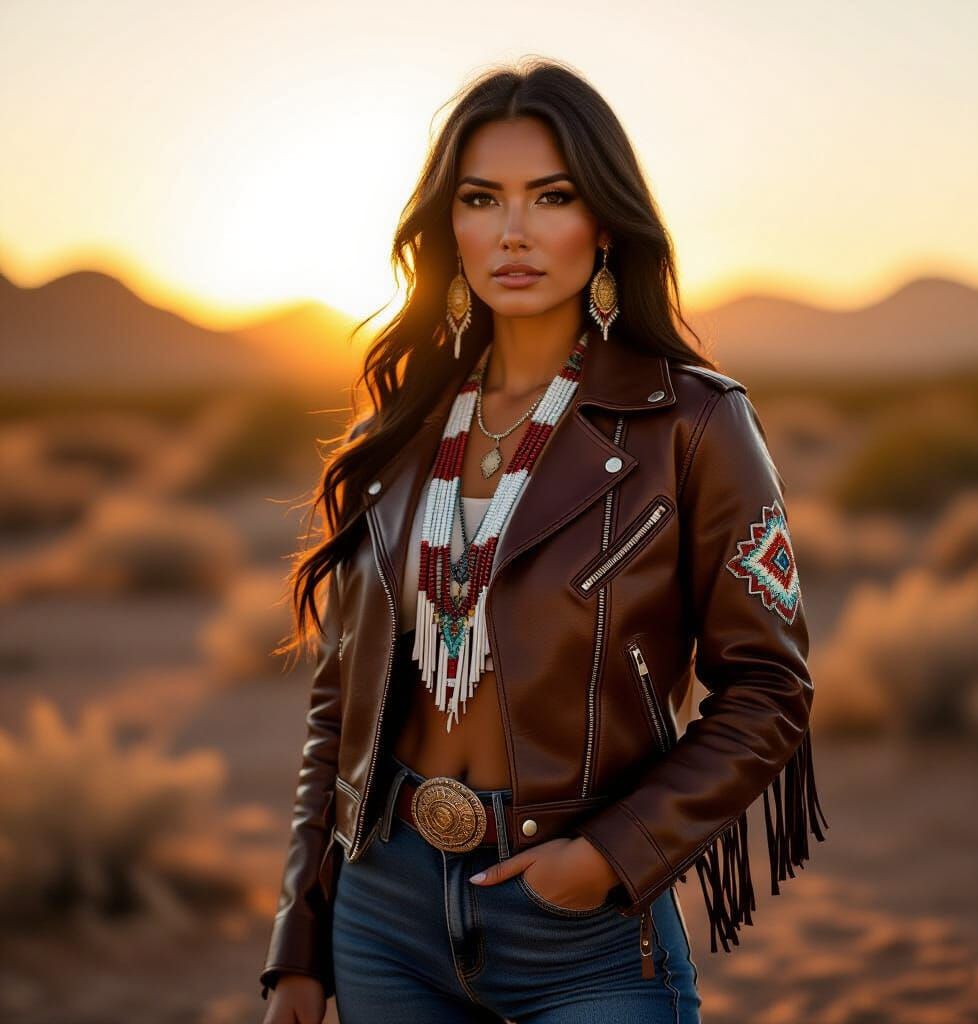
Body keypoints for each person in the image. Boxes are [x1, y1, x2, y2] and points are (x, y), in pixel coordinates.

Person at [259, 57, 827, 1024]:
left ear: (602, 222)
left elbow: (770, 691)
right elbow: (338, 716)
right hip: (382, 911)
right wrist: (301, 945)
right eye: (482, 199)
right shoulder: (397, 432)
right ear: (452, 226)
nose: (513, 232)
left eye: (550, 197)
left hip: (581, 927)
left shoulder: (691, 424)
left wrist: (611, 856)